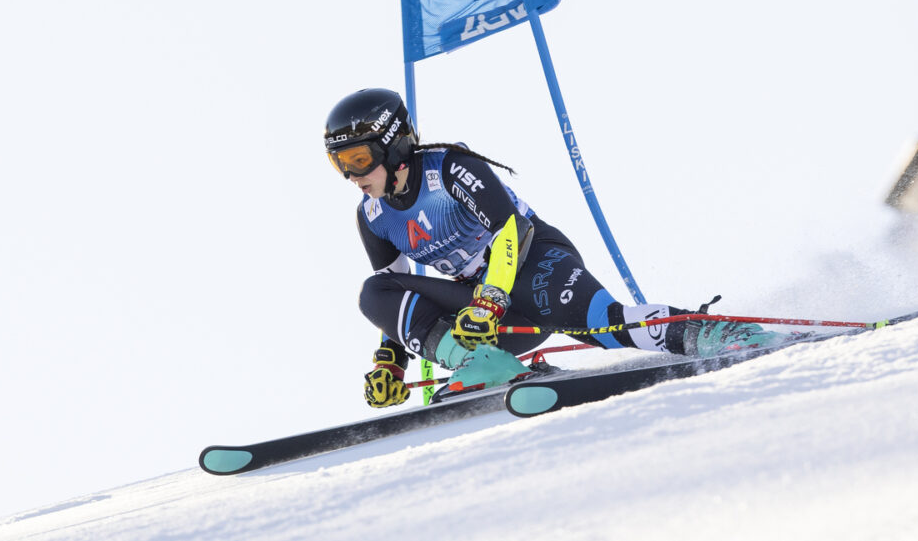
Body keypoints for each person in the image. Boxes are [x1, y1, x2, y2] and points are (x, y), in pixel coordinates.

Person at [325, 88, 787, 408]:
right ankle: (478, 362)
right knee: (372, 292)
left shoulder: (448, 170)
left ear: (393, 146)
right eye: (339, 164)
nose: (352, 175)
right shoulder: (373, 217)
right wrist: (390, 360)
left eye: (359, 159)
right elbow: (395, 297)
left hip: (531, 263)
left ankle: (716, 333)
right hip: (485, 318)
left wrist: (490, 300)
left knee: (605, 328)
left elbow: (507, 229)